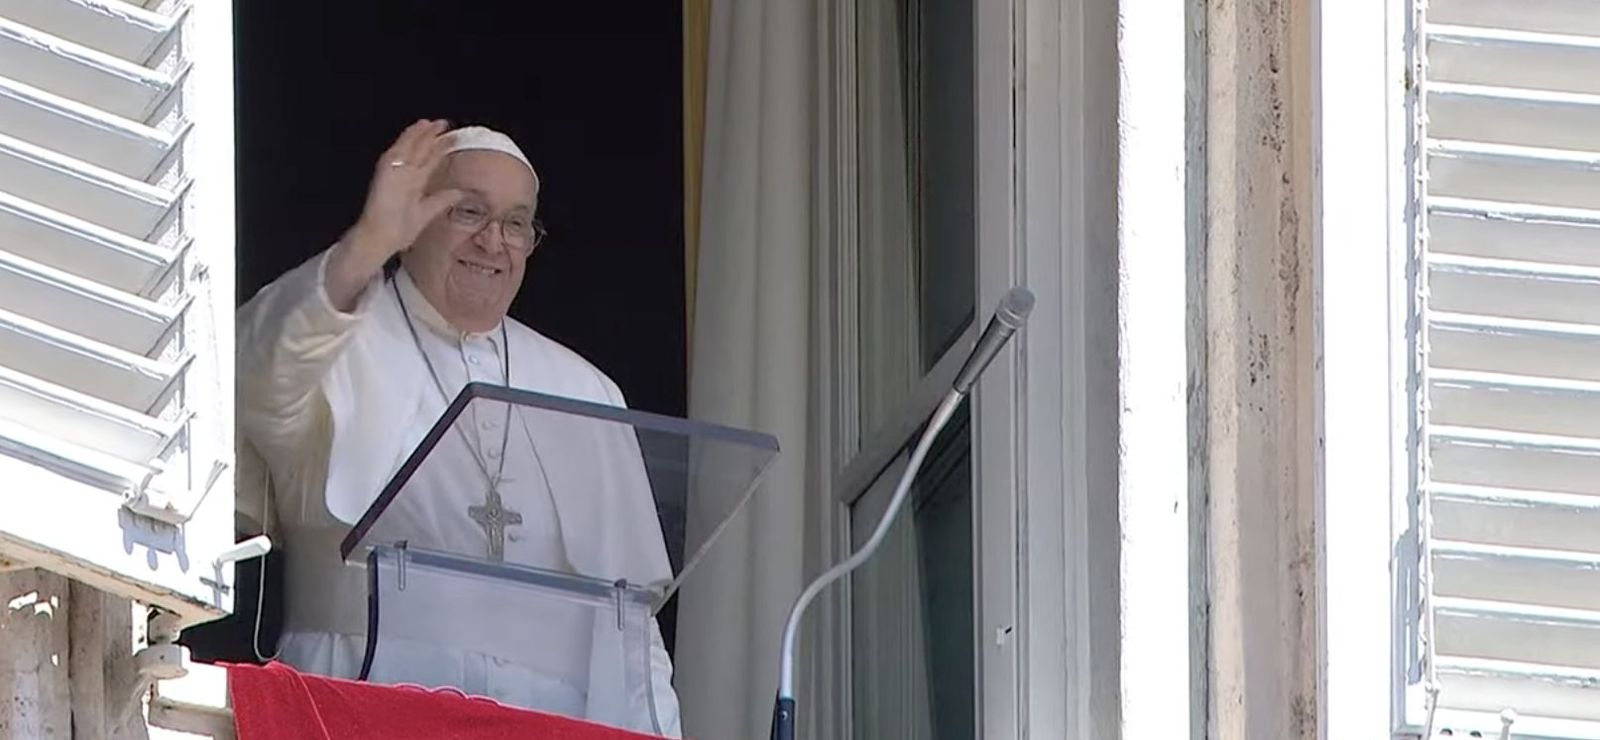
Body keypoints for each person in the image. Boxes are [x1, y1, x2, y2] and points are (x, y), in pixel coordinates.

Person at [235, 120, 680, 735]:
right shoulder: (335, 343)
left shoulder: (587, 391)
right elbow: (254, 373)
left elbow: (632, 631)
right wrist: (366, 244)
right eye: (469, 212)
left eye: (517, 222)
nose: (494, 241)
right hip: (358, 712)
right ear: (413, 223)